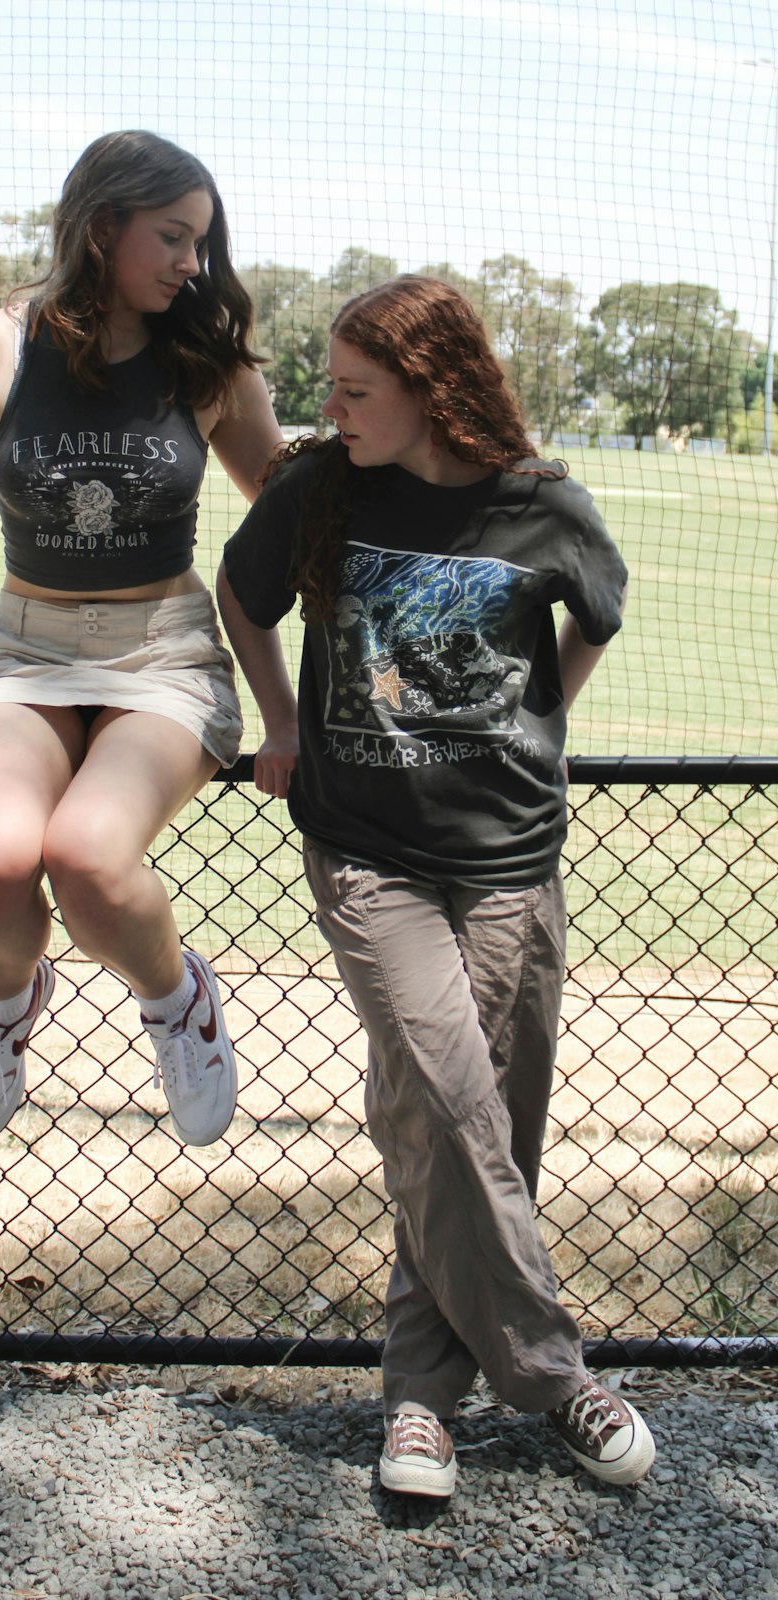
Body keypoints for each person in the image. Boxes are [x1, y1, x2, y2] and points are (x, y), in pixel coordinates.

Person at [217, 274, 656, 1495]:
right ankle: (558, 1379)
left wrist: (539, 712)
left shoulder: (543, 505)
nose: (332, 406)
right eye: (333, 386)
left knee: (467, 1126)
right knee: (452, 1098)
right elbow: (239, 595)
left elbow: (596, 618)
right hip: (368, 852)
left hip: (512, 859)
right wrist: (279, 719)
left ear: (432, 390)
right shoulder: (323, 488)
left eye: (357, 390)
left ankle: (418, 1404)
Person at [0, 130, 283, 1148]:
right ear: (103, 227)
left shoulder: (206, 361)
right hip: (26, 650)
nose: (194, 262)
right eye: (174, 237)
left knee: (89, 860)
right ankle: (4, 1009)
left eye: (201, 241)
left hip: (163, 654)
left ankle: (175, 998)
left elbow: (284, 508)